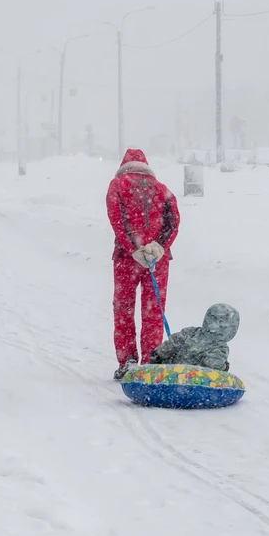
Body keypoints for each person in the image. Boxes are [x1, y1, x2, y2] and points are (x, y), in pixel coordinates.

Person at [106, 148, 181, 380]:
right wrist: (159, 246)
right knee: (154, 311)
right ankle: (150, 361)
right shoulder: (162, 189)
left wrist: (133, 248)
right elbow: (173, 219)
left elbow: (117, 220)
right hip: (158, 261)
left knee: (124, 310)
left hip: (126, 259)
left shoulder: (118, 185)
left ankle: (128, 360)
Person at [149, 304, 239, 371]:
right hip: (192, 379)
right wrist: (223, 367)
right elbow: (212, 365)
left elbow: (173, 342)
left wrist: (159, 354)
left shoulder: (191, 332)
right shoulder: (219, 346)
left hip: (172, 372)